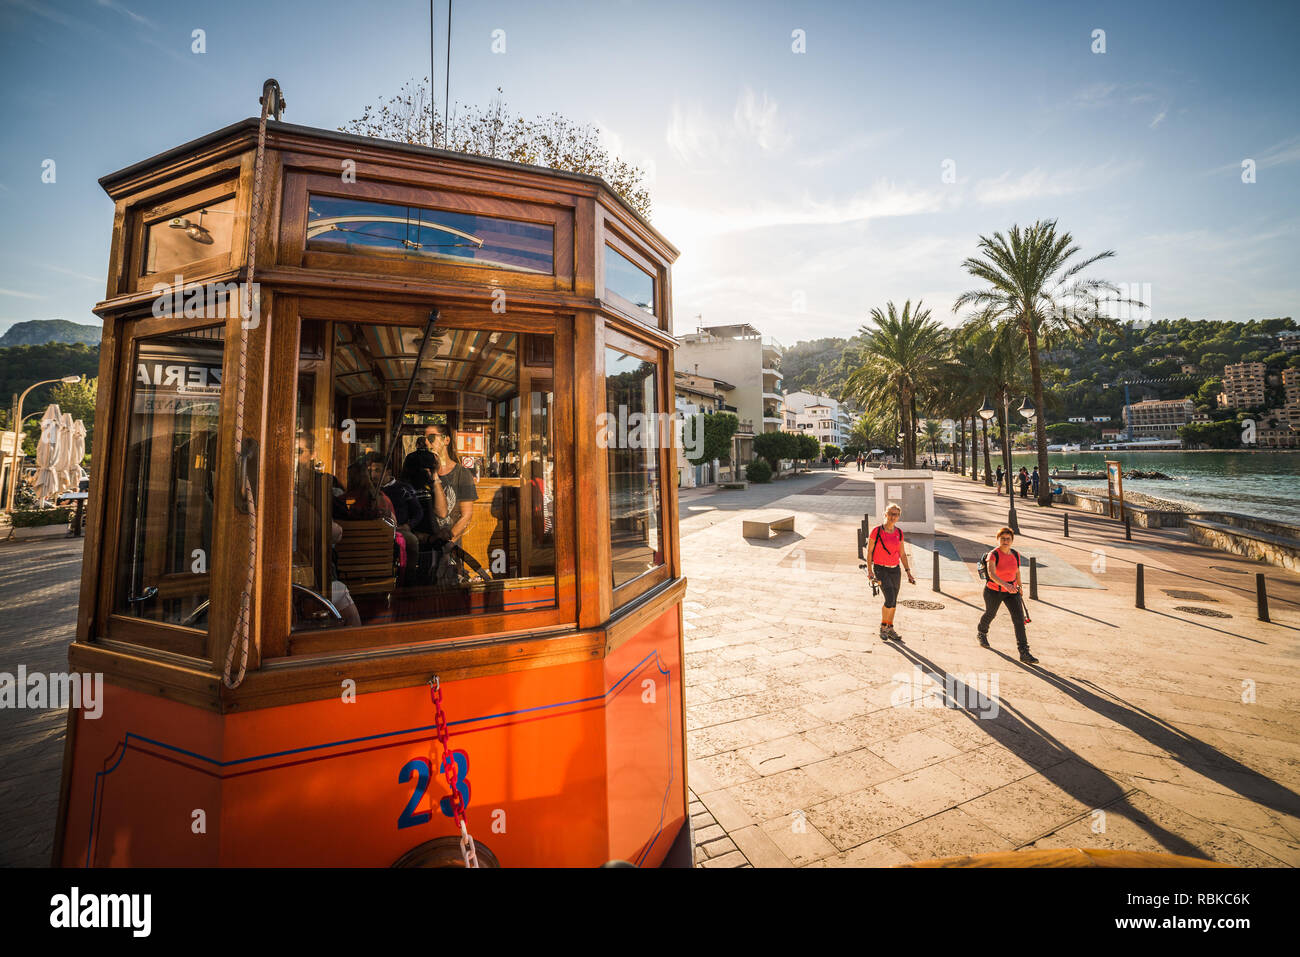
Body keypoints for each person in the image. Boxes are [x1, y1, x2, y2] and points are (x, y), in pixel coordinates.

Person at [977, 526, 1038, 663]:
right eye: (1003, 538)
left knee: (1019, 620)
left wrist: (1020, 587)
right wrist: (1006, 585)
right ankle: (982, 632)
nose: (1005, 541)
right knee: (990, 614)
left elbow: (1017, 572)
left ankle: (1024, 652)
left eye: (1008, 539)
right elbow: (992, 574)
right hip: (993, 591)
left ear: (1012, 540)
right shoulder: (994, 554)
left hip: (1012, 592)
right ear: (998, 539)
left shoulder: (1015, 554)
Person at [866, 502, 916, 642]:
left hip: (895, 570)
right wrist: (870, 571)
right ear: (885, 514)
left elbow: (902, 554)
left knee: (894, 601)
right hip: (880, 569)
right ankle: (883, 626)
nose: (893, 517)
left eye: (896, 514)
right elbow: (869, 552)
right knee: (889, 598)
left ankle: (890, 627)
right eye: (891, 514)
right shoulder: (877, 531)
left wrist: (908, 572)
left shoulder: (899, 533)